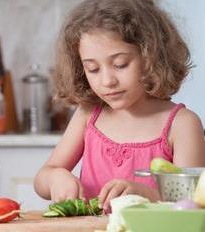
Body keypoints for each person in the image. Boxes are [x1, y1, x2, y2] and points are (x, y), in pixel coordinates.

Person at [34, 0, 205, 212]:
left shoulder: (182, 124)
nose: (107, 81)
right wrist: (55, 178)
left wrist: (146, 195)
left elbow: (192, 203)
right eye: (93, 68)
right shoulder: (88, 115)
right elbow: (42, 179)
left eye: (120, 64)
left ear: (151, 56)